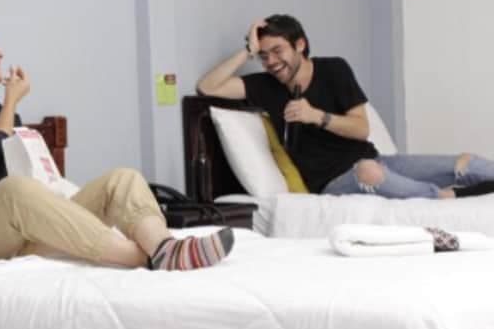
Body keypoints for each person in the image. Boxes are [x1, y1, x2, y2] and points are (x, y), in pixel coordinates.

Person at [0, 12, 235, 271]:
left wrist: (8, 108)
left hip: (14, 235)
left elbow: (20, 166)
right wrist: (12, 102)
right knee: (16, 192)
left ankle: (162, 246)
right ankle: (143, 258)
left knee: (122, 179)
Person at [196, 14, 494, 199]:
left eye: (277, 51)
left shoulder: (334, 69)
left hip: (376, 160)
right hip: (332, 183)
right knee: (368, 173)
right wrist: (248, 50)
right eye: (264, 56)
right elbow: (208, 87)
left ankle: (447, 188)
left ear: (300, 45)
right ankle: (442, 198)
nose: (271, 62)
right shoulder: (264, 85)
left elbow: (361, 129)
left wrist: (317, 116)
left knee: (467, 163)